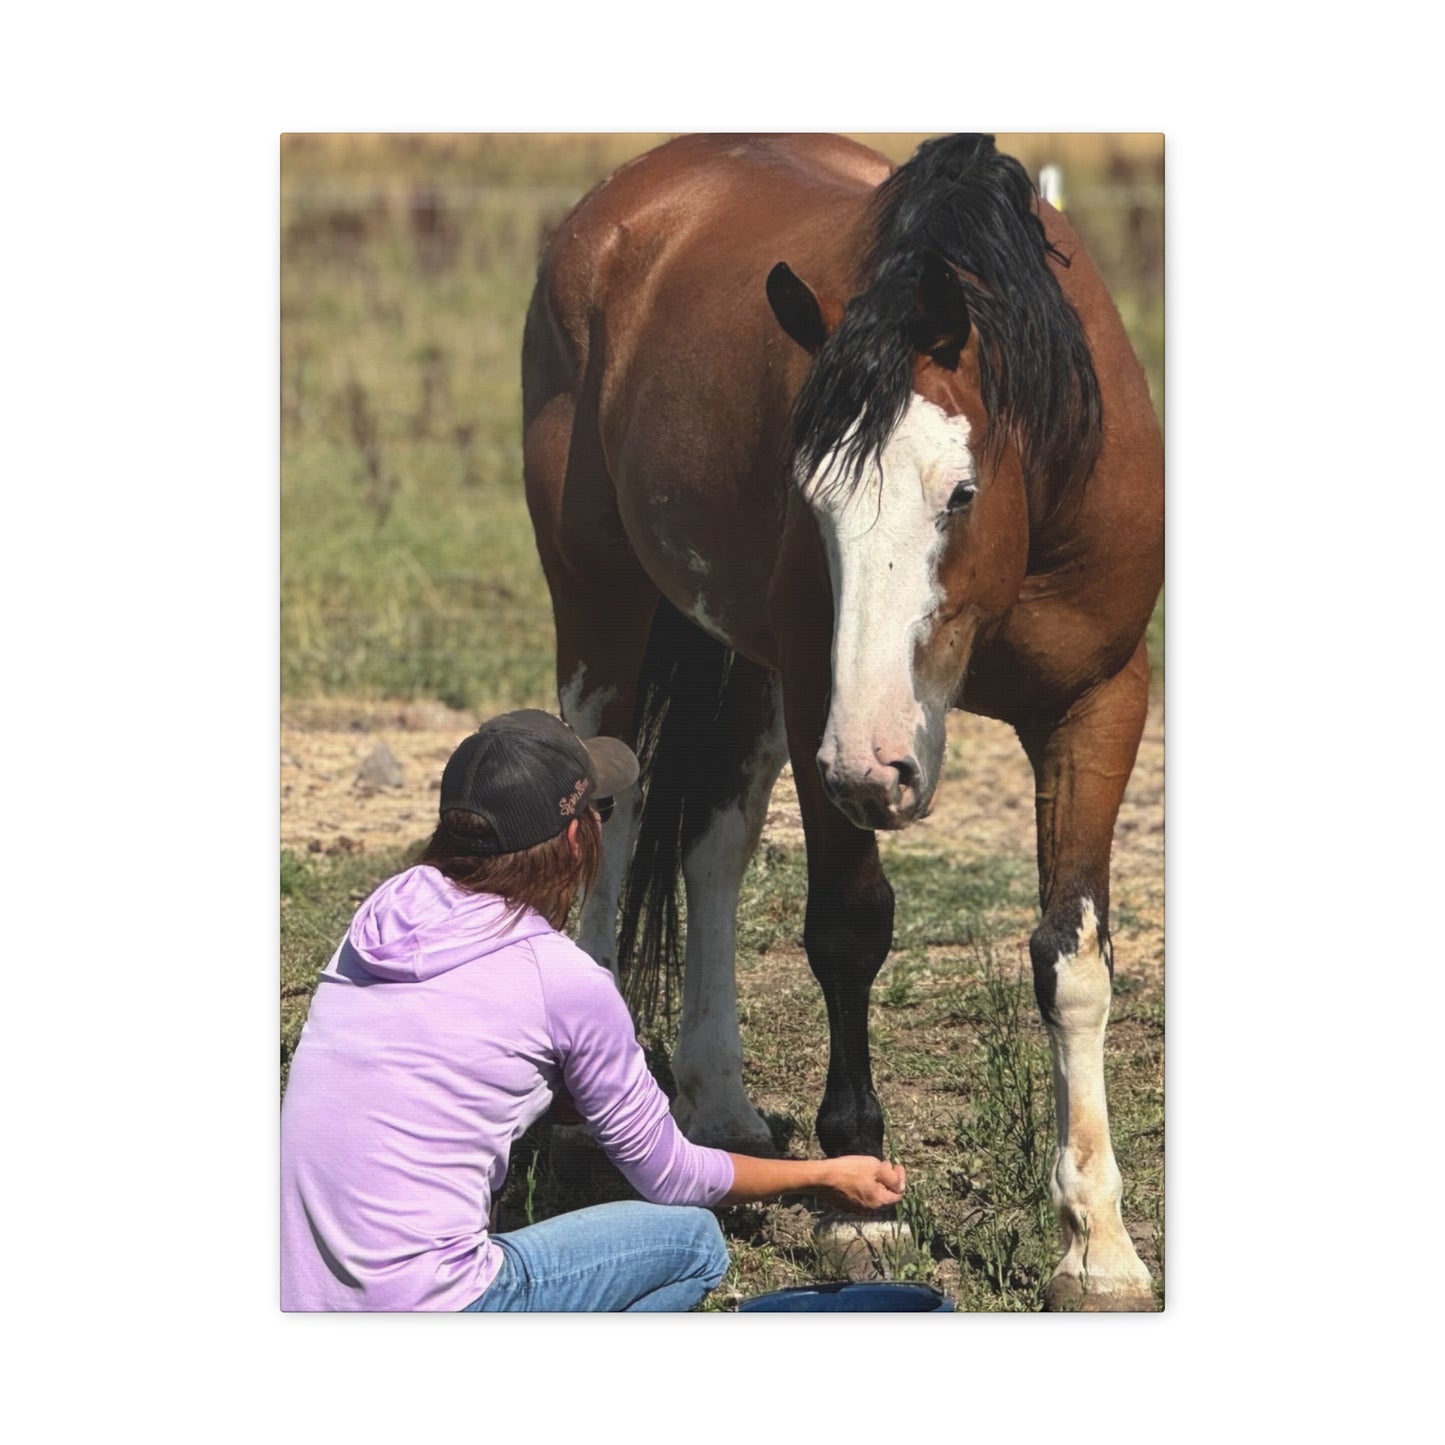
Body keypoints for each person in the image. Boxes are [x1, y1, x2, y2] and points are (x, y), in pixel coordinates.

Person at [281, 708, 906, 1311]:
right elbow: (672, 1177)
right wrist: (822, 1174)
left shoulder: (379, 919)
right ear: (577, 834)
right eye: (600, 809)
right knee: (693, 1243)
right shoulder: (561, 978)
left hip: (297, 1302)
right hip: (436, 1306)